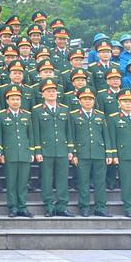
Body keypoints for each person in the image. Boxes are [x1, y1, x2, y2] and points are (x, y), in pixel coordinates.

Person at [32, 79, 74, 217]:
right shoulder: (37, 110)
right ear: (42, 94)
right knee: (47, 179)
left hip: (62, 150)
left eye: (53, 91)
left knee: (62, 178)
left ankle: (62, 206)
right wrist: (37, 150)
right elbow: (35, 132)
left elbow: (69, 131)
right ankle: (49, 206)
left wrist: (70, 150)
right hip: (46, 150)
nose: (51, 93)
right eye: (48, 91)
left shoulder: (64, 109)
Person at [70, 87, 111, 217]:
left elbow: (106, 135)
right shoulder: (74, 115)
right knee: (83, 181)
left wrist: (108, 153)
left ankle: (101, 207)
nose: (87, 101)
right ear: (79, 101)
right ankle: (84, 206)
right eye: (84, 99)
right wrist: (74, 153)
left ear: (94, 101)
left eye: (90, 99)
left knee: (100, 182)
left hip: (99, 153)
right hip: (82, 154)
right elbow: (71, 136)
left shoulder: (100, 115)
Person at [0, 85, 34, 218]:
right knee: (11, 182)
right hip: (9, 154)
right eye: (12, 99)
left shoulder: (27, 115)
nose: (15, 101)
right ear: (7, 101)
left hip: (24, 153)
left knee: (23, 182)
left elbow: (31, 135)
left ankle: (22, 207)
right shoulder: (0, 115)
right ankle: (13, 207)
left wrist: (32, 152)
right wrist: (0, 152)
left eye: (17, 99)